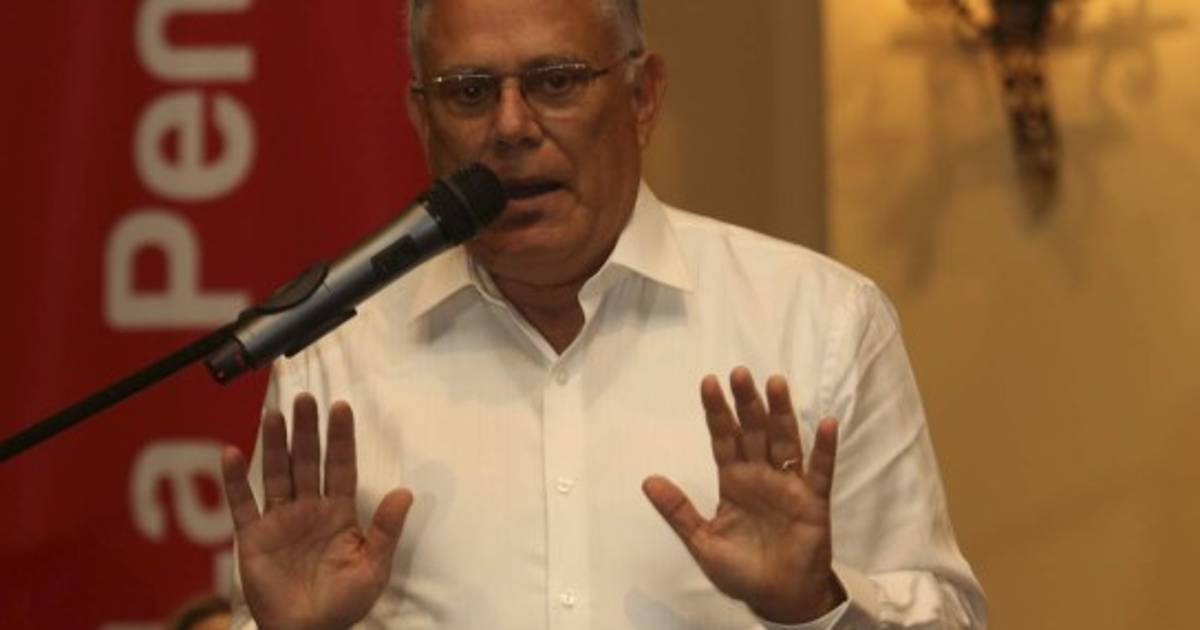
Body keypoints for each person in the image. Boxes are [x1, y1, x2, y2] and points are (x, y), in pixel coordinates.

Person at [220, 0, 988, 628]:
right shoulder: (334, 354)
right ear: (423, 119)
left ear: (642, 97)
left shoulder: (819, 322)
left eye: (556, 81)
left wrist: (816, 603)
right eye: (469, 92)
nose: (511, 126)